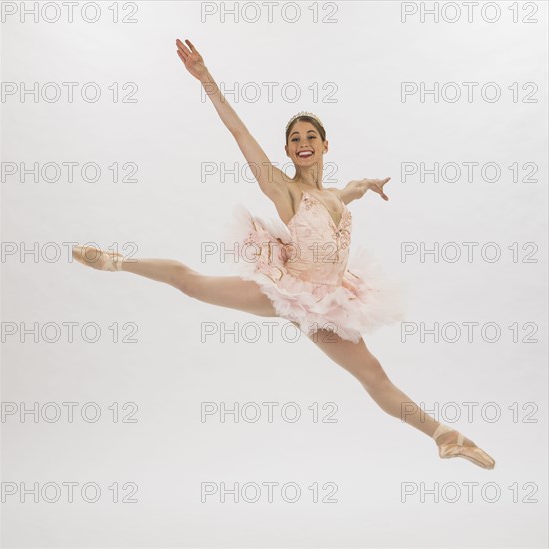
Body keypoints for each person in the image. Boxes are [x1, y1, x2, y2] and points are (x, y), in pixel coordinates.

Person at [71, 38, 495, 469]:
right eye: (295, 138)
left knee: (374, 376)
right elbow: (239, 132)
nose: (303, 142)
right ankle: (114, 261)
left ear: (326, 146)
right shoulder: (284, 190)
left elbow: (350, 191)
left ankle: (446, 435)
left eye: (311, 136)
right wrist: (206, 79)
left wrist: (367, 185)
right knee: (192, 284)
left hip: (331, 303)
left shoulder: (335, 196)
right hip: (290, 289)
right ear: (289, 151)